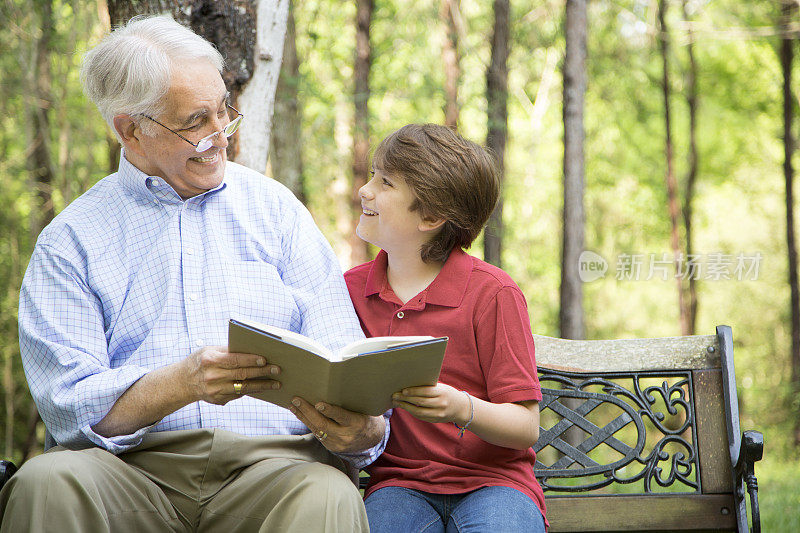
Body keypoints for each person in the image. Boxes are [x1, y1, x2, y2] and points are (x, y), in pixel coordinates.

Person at [0, 16, 387, 532]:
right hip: (130, 472)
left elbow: (342, 352)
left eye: (223, 111)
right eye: (194, 122)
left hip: (274, 470)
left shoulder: (277, 211)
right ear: (131, 129)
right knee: (44, 483)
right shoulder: (71, 241)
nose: (219, 136)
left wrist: (362, 429)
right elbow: (71, 409)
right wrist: (180, 383)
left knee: (327, 494)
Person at [344, 124, 548, 532]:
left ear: (432, 216)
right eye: (372, 175)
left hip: (496, 484)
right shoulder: (350, 290)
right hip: (399, 486)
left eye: (385, 183)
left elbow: (525, 427)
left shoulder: (493, 293)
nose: (364, 190)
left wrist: (460, 408)